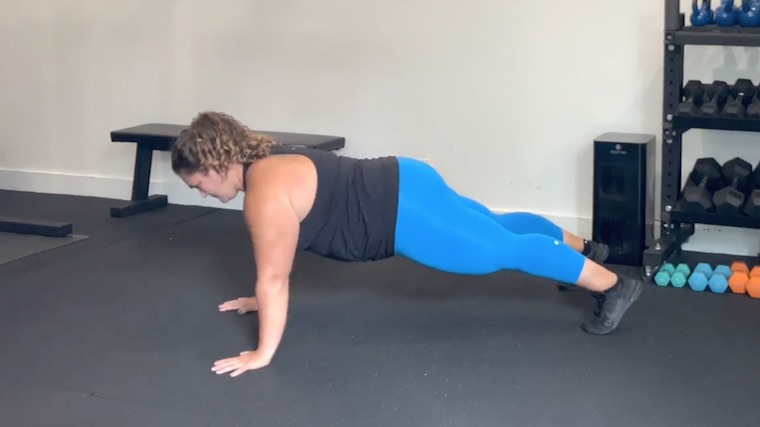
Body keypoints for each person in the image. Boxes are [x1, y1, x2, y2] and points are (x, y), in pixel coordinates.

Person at [171, 111, 643, 378]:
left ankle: (611, 286)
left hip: (403, 215)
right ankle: (586, 251)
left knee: (499, 251)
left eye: (198, 184)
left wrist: (263, 353)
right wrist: (260, 297)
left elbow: (275, 276)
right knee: (495, 226)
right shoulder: (267, 158)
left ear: (217, 165)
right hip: (405, 176)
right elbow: (275, 265)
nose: (201, 193)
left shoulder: (263, 197)